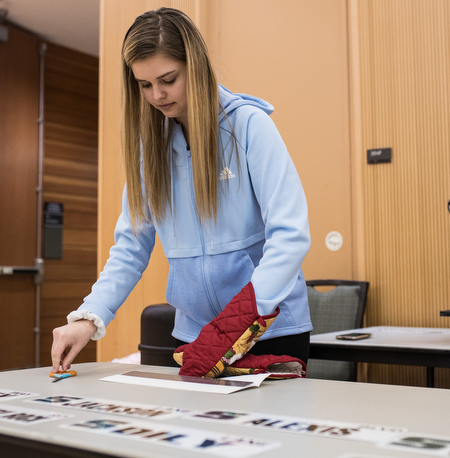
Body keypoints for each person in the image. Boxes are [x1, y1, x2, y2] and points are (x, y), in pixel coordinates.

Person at [50, 7, 311, 377]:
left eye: (168, 79)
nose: (157, 95)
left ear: (195, 66)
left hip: (268, 330)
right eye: (144, 85)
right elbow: (130, 247)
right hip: (197, 338)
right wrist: (87, 318)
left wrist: (232, 326)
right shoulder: (150, 150)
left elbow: (291, 237)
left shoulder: (250, 126)